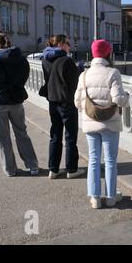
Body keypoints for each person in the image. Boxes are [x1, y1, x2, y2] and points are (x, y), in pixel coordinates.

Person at [74, 40, 129, 209]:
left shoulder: (83, 75)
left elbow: (77, 102)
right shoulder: (113, 73)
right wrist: (127, 97)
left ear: (93, 54)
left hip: (91, 124)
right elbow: (119, 100)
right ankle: (111, 197)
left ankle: (95, 198)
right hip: (110, 124)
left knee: (93, 159)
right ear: (108, 54)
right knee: (110, 161)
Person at [0, 33, 39, 177]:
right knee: (21, 133)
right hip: (16, 102)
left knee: (3, 137)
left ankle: (10, 169)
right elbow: (25, 76)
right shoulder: (21, 59)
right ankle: (32, 166)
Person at [41, 35, 84, 180]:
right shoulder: (66, 60)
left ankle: (53, 169)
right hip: (66, 102)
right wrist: (79, 69)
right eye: (67, 43)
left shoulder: (45, 59)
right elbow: (74, 82)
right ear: (60, 44)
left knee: (55, 135)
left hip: (53, 101)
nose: (69, 47)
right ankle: (71, 169)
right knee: (70, 136)